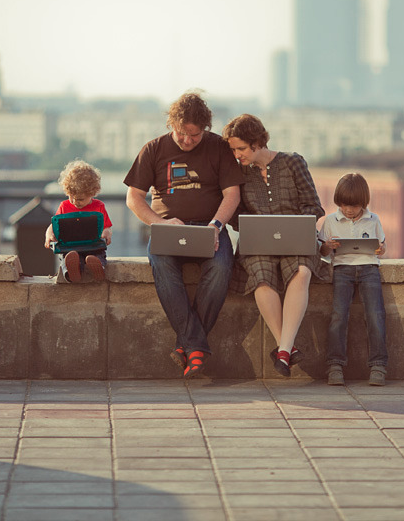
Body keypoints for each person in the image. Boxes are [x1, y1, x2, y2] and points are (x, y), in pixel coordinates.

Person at [124, 91, 244, 379]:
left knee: (221, 268)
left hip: (209, 227)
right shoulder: (153, 149)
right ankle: (196, 347)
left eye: (195, 135)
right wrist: (159, 223)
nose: (188, 140)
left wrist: (215, 226)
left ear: (205, 129)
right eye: (182, 134)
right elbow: (134, 198)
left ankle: (187, 346)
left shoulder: (218, 147)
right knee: (163, 267)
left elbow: (232, 194)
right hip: (167, 228)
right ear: (171, 125)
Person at [222, 113, 327, 377]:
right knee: (261, 277)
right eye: (233, 149)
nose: (237, 154)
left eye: (241, 148)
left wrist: (294, 228)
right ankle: (286, 349)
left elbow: (314, 206)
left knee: (301, 272)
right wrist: (253, 226)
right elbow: (236, 214)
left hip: (297, 239)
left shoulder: (293, 162)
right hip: (258, 243)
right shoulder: (239, 172)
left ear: (258, 142)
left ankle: (283, 350)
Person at [318, 172, 388, 386]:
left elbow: (382, 248)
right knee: (339, 316)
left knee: (375, 315)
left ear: (363, 203)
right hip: (342, 268)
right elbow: (321, 251)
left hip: (369, 268)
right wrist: (328, 246)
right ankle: (335, 365)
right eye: (344, 205)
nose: (348, 210)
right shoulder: (330, 221)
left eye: (354, 206)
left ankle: (378, 366)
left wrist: (380, 248)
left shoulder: (373, 219)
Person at [44, 159, 113, 283]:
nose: (76, 202)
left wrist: (107, 234)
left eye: (80, 199)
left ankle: (98, 268)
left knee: (98, 254)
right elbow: (53, 224)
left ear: (92, 193)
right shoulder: (64, 206)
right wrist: (49, 235)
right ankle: (72, 272)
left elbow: (106, 227)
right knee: (69, 257)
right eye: (72, 197)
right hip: (70, 246)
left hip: (92, 245)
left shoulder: (99, 206)